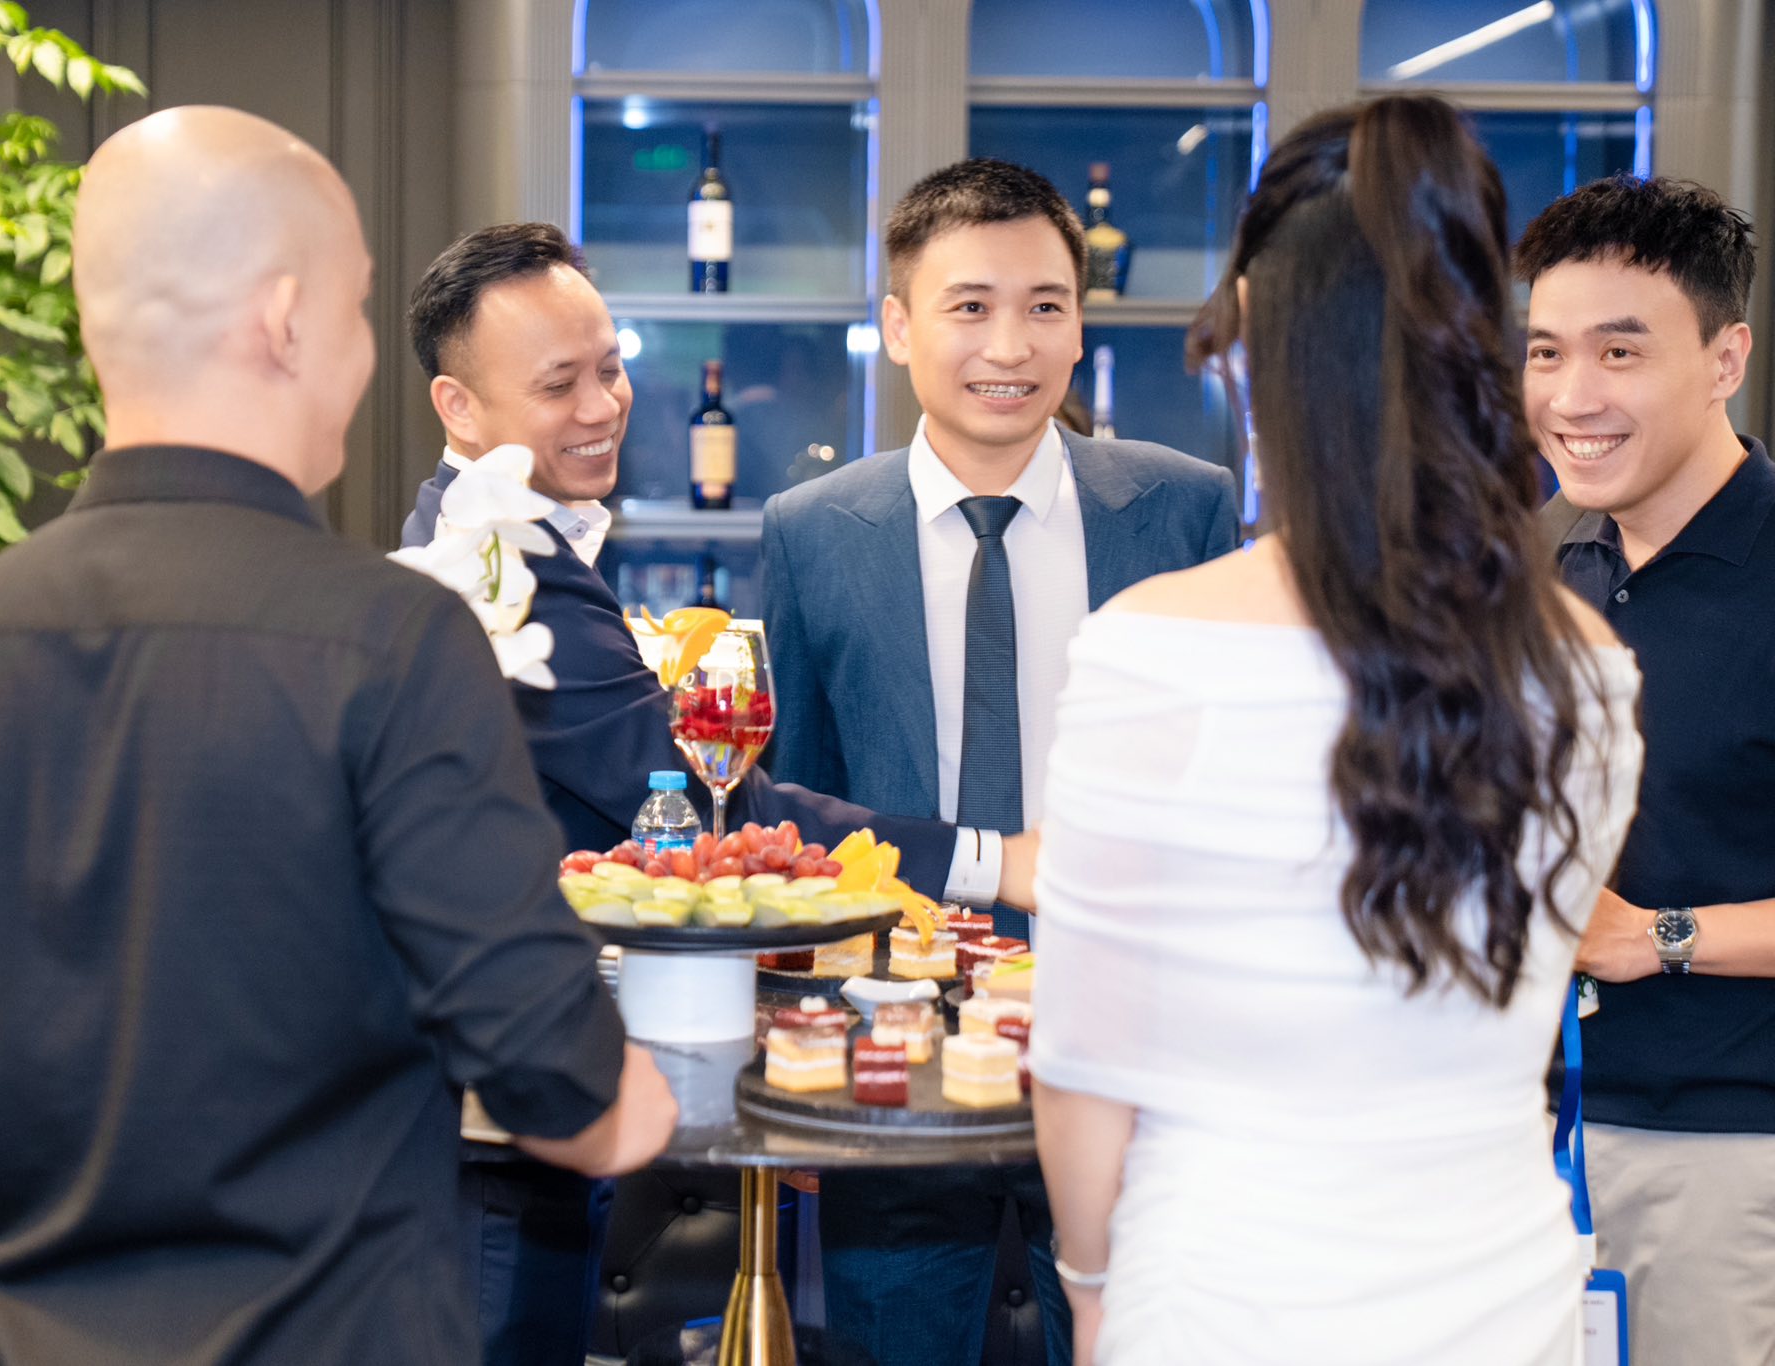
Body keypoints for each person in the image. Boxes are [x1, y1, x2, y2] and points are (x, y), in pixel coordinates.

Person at [0, 106, 677, 1364]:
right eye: (355, 308)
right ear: (286, 320)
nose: (359, 351)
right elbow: (565, 1087)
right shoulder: (400, 640)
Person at [1029, 95, 1642, 1365]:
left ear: (1255, 325)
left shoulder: (1150, 648)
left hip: (1218, 1302)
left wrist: (1089, 1286)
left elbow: (1083, 1065)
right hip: (1501, 1303)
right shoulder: (1586, 667)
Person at [401, 219, 1039, 1365]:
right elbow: (713, 813)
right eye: (558, 383)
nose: (601, 406)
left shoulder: (490, 533)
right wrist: (995, 859)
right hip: (499, 1112)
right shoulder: (502, 565)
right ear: (458, 406)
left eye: (609, 367)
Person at [759, 158, 1237, 1366]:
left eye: (1043, 306)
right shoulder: (811, 533)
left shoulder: (1182, 509)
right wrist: (804, 1060)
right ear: (897, 325)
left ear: (1078, 326)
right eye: (968, 306)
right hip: (893, 1053)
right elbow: (799, 814)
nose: (1009, 345)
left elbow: (1221, 791)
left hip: (1134, 1052)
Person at [1516, 173, 1774, 1362]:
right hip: (1519, 1137)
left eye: (1618, 352)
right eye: (1546, 352)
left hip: (1718, 1155)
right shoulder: (1543, 562)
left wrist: (1657, 936)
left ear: (1723, 360)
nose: (1572, 397)